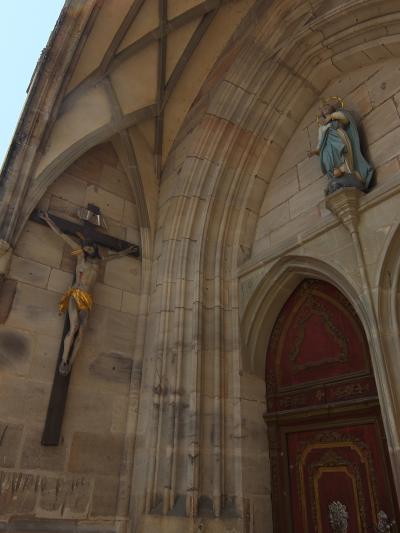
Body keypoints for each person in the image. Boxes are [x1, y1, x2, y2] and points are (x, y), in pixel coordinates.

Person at [40, 211, 135, 375]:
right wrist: (49, 220)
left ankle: (71, 362)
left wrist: (128, 251)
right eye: (85, 247)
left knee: (82, 331)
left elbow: (116, 256)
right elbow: (63, 236)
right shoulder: (80, 257)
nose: (87, 249)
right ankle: (64, 359)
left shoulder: (99, 261)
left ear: (94, 248)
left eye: (90, 247)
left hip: (87, 298)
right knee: (75, 325)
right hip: (76, 294)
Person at [308, 98, 374, 194]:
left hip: (340, 141)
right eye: (322, 109)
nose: (325, 109)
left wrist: (332, 117)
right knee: (327, 161)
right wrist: (314, 151)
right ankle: (335, 176)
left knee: (343, 156)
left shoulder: (337, 117)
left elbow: (346, 120)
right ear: (321, 113)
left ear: (331, 108)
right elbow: (320, 142)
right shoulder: (322, 128)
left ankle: (348, 173)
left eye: (326, 106)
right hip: (327, 147)